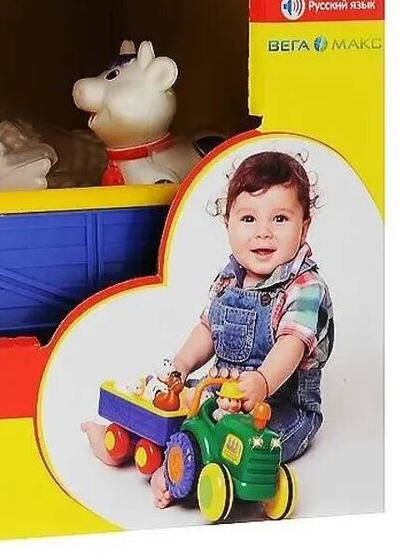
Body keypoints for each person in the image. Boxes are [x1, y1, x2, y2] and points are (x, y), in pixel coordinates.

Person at [84, 149, 333, 506]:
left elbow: (290, 344)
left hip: (279, 406)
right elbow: (207, 329)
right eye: (248, 219)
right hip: (220, 393)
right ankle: (121, 441)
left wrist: (262, 382)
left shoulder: (305, 287)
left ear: (304, 227)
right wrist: (181, 365)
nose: (263, 232)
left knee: (248, 447)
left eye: (280, 218)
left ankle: (178, 472)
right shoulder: (229, 279)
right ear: (228, 224)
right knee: (169, 404)